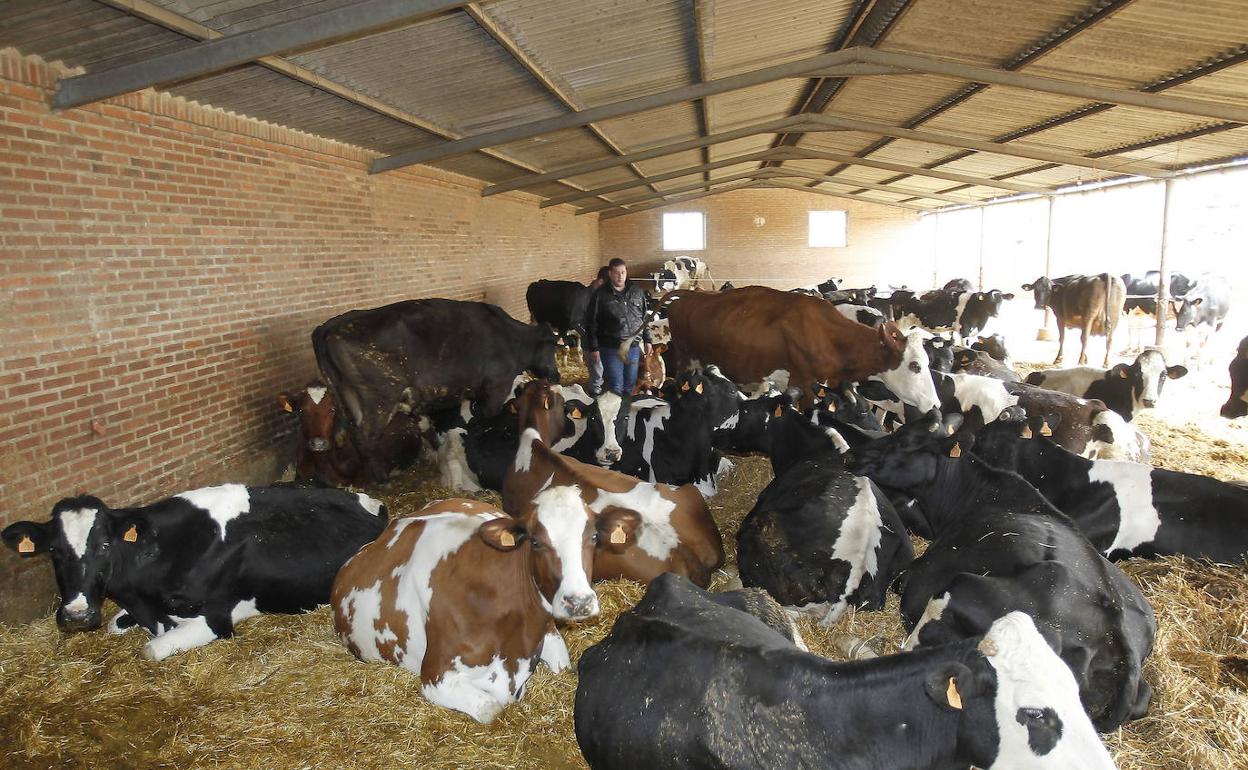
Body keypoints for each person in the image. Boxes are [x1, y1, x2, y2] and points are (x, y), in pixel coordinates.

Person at [586, 258, 652, 397]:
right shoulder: (600, 295)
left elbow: (644, 318)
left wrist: (648, 340)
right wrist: (594, 348)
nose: (620, 276)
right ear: (610, 274)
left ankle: (625, 414)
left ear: (626, 272)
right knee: (616, 385)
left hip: (633, 346)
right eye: (616, 273)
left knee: (630, 384)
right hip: (610, 347)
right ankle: (616, 416)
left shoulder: (636, 291)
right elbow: (591, 322)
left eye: (623, 272)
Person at [583, 266, 609, 396]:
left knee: (600, 370)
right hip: (591, 343)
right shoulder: (587, 297)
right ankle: (594, 398)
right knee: (597, 371)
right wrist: (592, 346)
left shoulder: (600, 295)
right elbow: (581, 321)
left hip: (601, 341)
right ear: (600, 281)